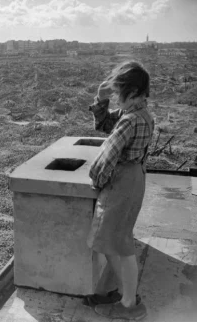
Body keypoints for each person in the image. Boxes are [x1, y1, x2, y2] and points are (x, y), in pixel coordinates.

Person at [83, 61, 154, 320]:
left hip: (122, 183)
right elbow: (104, 125)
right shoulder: (140, 114)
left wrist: (96, 182)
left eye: (118, 92)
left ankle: (129, 305)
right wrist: (100, 101)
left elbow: (106, 157)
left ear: (133, 92)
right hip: (134, 179)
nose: (116, 97)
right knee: (115, 240)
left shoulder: (130, 120)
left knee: (118, 244)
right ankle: (124, 293)